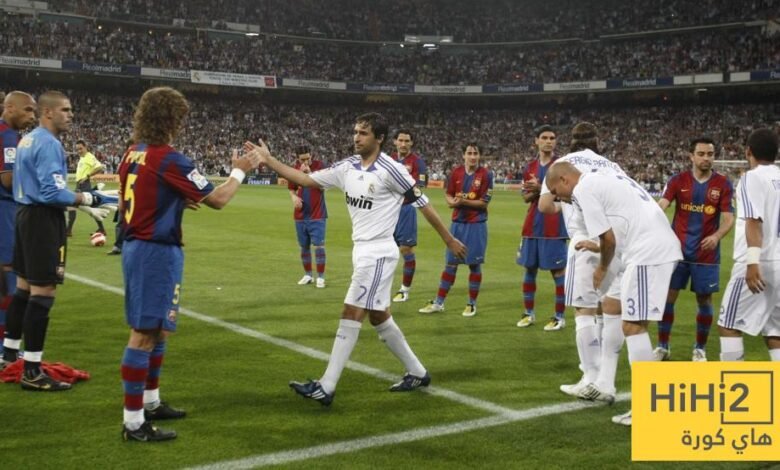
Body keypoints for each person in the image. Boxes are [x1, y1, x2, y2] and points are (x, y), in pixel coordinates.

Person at [244, 112, 466, 406]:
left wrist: (448, 239)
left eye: (363, 133)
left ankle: (327, 386)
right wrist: (269, 160)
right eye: (355, 132)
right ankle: (417, 372)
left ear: (379, 138)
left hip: (379, 253)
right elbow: (306, 179)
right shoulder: (347, 166)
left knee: (351, 311)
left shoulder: (392, 170)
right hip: (361, 251)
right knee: (378, 316)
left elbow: (423, 204)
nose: (356, 137)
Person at [117, 87, 260, 442]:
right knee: (144, 333)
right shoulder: (170, 159)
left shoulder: (133, 153)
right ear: (171, 119)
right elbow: (219, 199)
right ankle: (133, 423)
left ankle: (151, 402)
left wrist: (172, 201)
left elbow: (127, 202)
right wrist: (239, 170)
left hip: (139, 246)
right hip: (154, 251)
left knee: (159, 329)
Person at [546, 161, 682, 427]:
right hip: (644, 249)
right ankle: (605, 384)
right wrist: (598, 247)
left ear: (564, 179)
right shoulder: (604, 177)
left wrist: (601, 268)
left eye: (555, 191)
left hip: (647, 253)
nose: (557, 197)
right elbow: (619, 228)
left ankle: (646, 408)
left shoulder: (583, 189)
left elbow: (609, 239)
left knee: (634, 326)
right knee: (611, 306)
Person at [1, 91, 110, 389]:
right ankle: (32, 371)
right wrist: (88, 198)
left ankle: (9, 355)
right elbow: (51, 193)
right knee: (43, 292)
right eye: (65, 110)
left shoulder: (27, 140)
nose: (71, 115)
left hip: (23, 216)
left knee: (23, 289)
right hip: (43, 220)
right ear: (47, 112)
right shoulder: (49, 144)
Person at [537, 122, 626, 402]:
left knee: (584, 310)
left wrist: (561, 202)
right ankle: (605, 380)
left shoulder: (562, 166)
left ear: (571, 140)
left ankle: (590, 377)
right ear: (597, 141)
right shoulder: (612, 165)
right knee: (608, 310)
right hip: (617, 242)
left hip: (585, 239)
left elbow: (545, 205)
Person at [654, 137, 734, 362]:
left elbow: (729, 218)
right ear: (691, 156)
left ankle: (700, 349)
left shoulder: (723, 184)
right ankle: (663, 347)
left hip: (705, 255)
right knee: (667, 298)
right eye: (701, 154)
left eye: (710, 154)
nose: (706, 158)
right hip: (676, 253)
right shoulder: (678, 180)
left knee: (704, 301)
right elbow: (661, 206)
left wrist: (716, 236)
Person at [717, 128, 780, 362]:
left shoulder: (751, 178)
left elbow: (753, 221)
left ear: (748, 151)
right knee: (775, 331)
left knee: (729, 324)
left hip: (760, 263)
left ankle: (735, 382)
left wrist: (752, 263)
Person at [418, 143, 493, 317]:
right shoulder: (455, 172)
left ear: (479, 156)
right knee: (450, 264)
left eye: (475, 153)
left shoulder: (486, 174)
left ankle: (471, 304)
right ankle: (439, 302)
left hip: (476, 224)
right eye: (469, 153)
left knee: (474, 265)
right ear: (463, 155)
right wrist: (451, 201)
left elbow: (484, 203)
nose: (472, 156)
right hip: (457, 224)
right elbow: (448, 194)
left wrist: (462, 202)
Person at [516, 125, 568, 331]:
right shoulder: (529, 167)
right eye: (544, 137)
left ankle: (559, 317)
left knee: (558, 272)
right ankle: (528, 313)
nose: (548, 141)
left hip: (554, 226)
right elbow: (525, 197)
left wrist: (541, 188)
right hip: (532, 225)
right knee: (529, 269)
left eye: (552, 138)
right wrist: (539, 191)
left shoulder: (563, 166)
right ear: (536, 141)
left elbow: (568, 194)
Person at [0, 91, 37, 360]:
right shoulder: (8, 137)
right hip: (5, 212)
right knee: (8, 279)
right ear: (10, 108)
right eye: (28, 110)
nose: (32, 116)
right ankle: (5, 348)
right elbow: (9, 180)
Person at [390, 129, 427, 302]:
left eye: (407, 141)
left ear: (411, 143)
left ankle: (404, 290)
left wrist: (398, 190)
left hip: (406, 210)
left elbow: (419, 188)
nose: (403, 144)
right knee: (384, 249)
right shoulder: (388, 159)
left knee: (406, 249)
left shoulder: (417, 162)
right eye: (400, 140)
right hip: (387, 210)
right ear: (395, 141)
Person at [288, 145, 328, 288]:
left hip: (317, 213)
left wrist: (310, 174)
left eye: (308, 158)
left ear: (311, 155)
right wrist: (294, 198)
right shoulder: (294, 169)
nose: (306, 161)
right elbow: (291, 189)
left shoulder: (320, 166)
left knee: (319, 246)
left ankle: (321, 277)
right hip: (300, 214)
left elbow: (324, 187)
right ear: (297, 158)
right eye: (302, 159)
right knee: (304, 246)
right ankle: (308, 275)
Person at [65, 139, 106, 237]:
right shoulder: (82, 158)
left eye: (81, 149)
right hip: (79, 185)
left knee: (73, 205)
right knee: (90, 208)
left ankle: (68, 231)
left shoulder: (89, 157)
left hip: (84, 185)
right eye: (77, 149)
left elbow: (100, 167)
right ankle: (101, 229)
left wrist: (87, 176)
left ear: (85, 147)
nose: (79, 151)